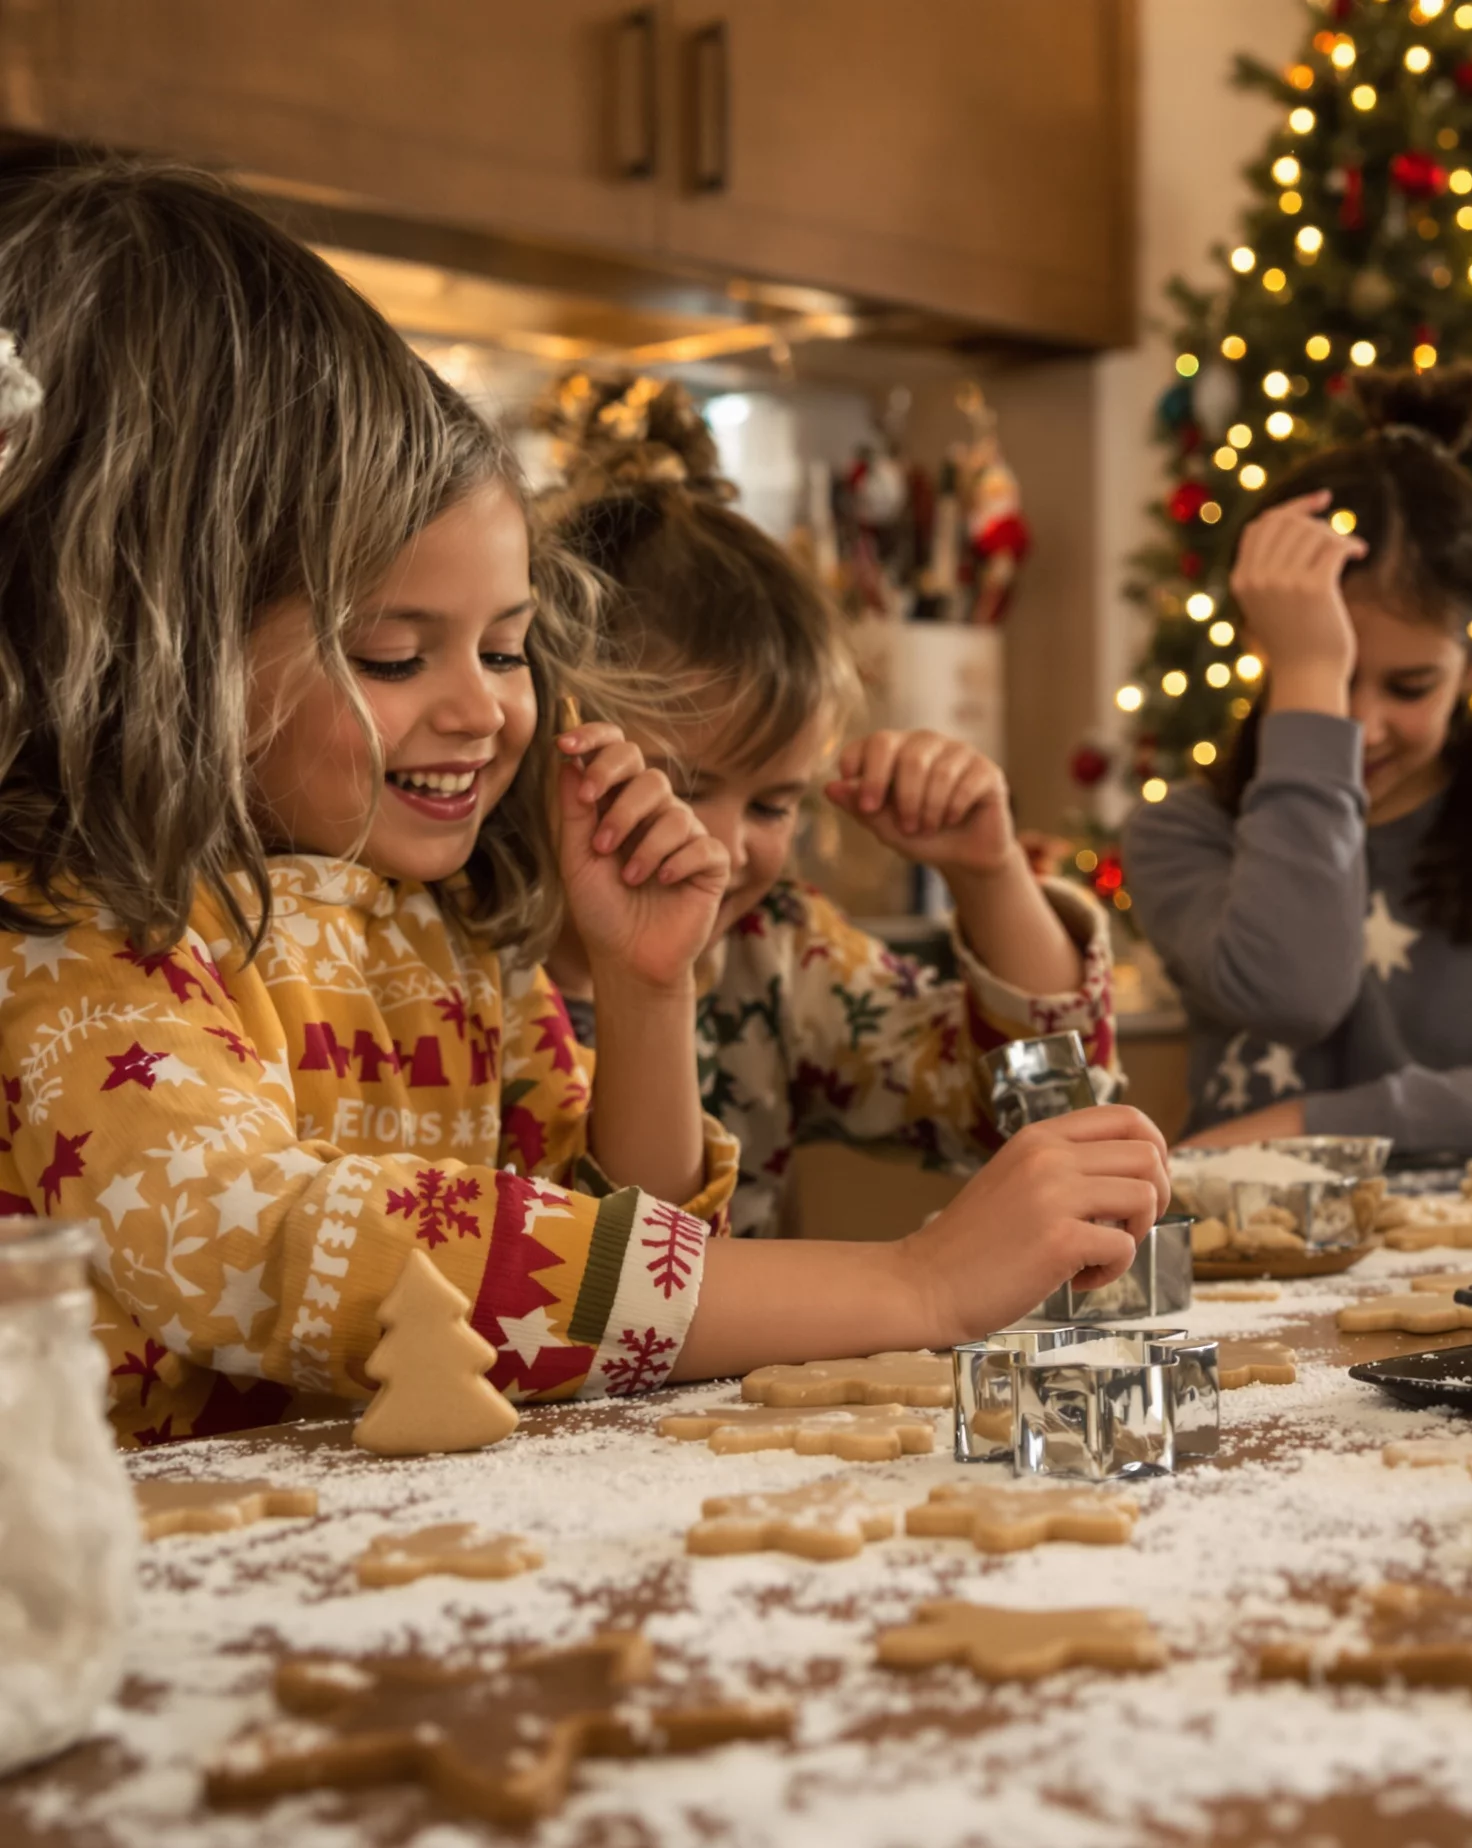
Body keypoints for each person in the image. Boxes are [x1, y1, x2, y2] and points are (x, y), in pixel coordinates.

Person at [0, 163, 1168, 1443]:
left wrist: (646, 992)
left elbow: (635, 1257)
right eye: (392, 655)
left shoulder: (442, 932)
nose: (483, 708)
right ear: (160, 642)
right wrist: (912, 1283)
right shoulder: (67, 938)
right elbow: (274, 1236)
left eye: (506, 649)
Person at [537, 374, 1114, 1236]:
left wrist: (990, 875)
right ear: (545, 738)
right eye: (681, 789)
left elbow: (1049, 1115)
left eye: (773, 807)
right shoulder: (447, 979)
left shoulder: (774, 952)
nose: (729, 850)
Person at [1125, 364, 1472, 1160]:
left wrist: (1312, 1127)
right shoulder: (1183, 831)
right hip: (1256, 1244)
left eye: (1410, 686)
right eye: (1330, 678)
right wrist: (1306, 684)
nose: (1362, 728)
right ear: (1264, 650)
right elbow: (1296, 995)